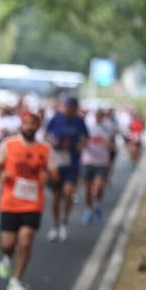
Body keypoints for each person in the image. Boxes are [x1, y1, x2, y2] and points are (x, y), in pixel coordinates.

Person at [0, 110, 57, 290]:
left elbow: (55, 175)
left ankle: (16, 280)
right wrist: (1, 174)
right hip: (10, 202)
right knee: (7, 244)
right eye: (26, 123)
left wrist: (49, 177)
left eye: (33, 123)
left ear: (38, 126)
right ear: (21, 124)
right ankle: (6, 257)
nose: (29, 126)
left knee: (26, 241)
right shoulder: (9, 144)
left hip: (32, 203)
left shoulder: (45, 149)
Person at [44, 94, 87, 240]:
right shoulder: (56, 119)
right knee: (55, 197)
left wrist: (80, 146)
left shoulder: (79, 122)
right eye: (67, 106)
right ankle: (55, 224)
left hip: (72, 163)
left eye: (72, 107)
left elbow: (85, 138)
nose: (69, 109)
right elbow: (46, 135)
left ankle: (65, 220)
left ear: (76, 109)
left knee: (68, 193)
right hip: (56, 163)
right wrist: (52, 142)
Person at [80, 107, 117, 223]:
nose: (98, 117)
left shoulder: (109, 126)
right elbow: (82, 140)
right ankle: (89, 208)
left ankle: (96, 204)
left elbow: (113, 143)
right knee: (87, 188)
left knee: (100, 186)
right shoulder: (87, 125)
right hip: (88, 160)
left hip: (102, 161)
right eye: (97, 115)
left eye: (101, 115)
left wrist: (111, 157)